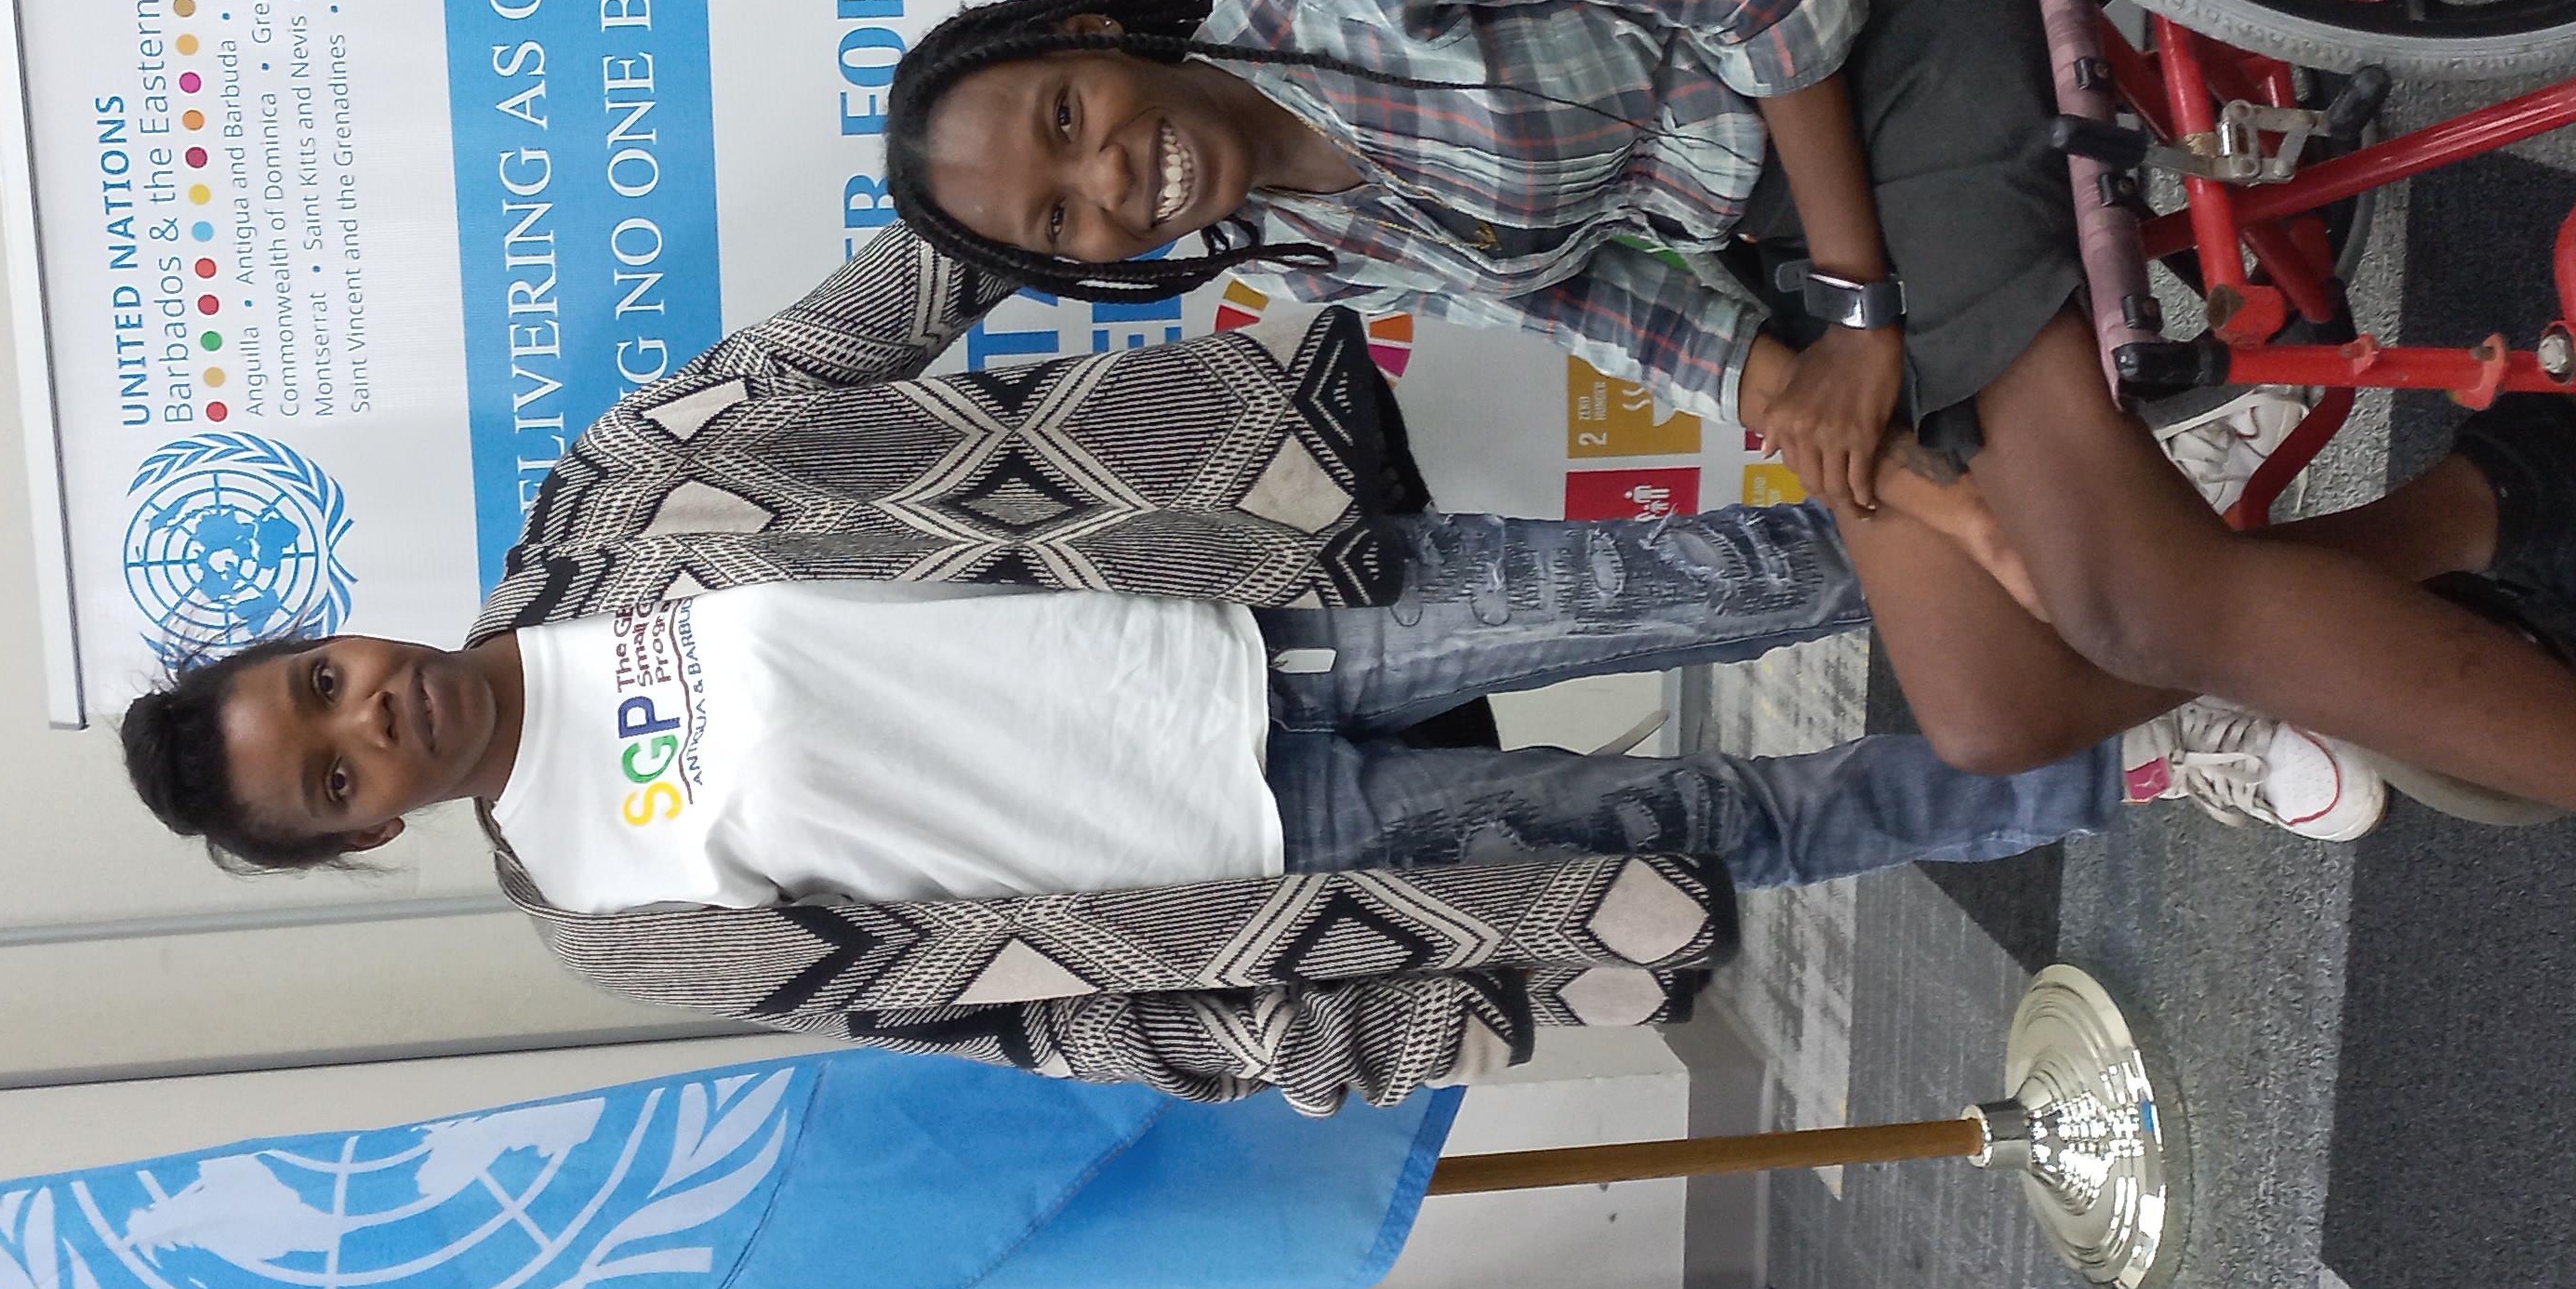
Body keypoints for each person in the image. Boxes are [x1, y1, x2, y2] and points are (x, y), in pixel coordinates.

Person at [879, 0, 2576, 1122]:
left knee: (2134, 605)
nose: (1106, 183)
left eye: (1065, 121)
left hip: (1882, 43)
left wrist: (1849, 309)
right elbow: (1614, 314)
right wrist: (1906, 481)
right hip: (1791, 258)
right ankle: (2491, 516)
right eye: (1069, 227)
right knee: (2000, 705)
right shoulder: (1295, 239)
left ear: (1100, 40)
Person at [114, 225, 2348, 1110]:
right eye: (323, 778)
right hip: (1276, 849)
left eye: (311, 682)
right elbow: (969, 998)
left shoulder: (614, 509)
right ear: (358, 833)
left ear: (332, 636)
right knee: (1734, 821)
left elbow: (867, 325)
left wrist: (1049, 134)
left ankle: (2152, 505)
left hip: (1264, 607)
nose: (355, 721)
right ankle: (2159, 757)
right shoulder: (610, 926)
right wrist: (1277, 1034)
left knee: (1759, 569)